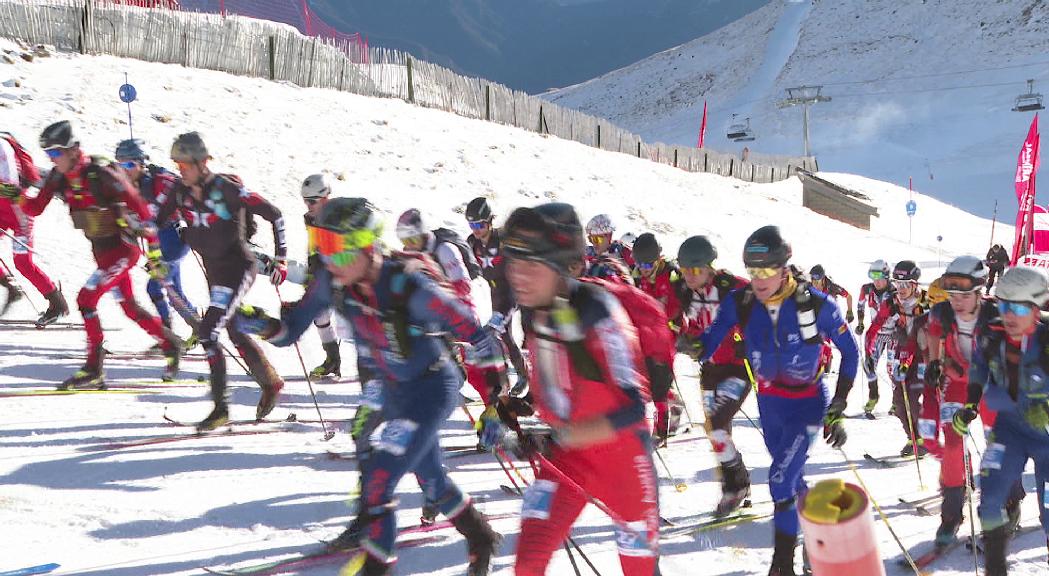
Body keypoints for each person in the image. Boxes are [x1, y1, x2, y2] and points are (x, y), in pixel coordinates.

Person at [234, 197, 504, 576]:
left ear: (365, 244)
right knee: (431, 477)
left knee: (379, 480)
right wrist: (262, 325)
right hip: (393, 389)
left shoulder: (407, 287)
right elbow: (290, 332)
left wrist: (494, 404)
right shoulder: (334, 280)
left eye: (335, 249)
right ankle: (480, 538)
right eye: (321, 246)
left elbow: (479, 337)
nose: (327, 259)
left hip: (431, 388)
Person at [498, 202, 659, 576]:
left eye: (531, 264)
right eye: (513, 262)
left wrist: (560, 436)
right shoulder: (540, 312)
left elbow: (633, 409)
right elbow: (558, 392)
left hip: (623, 465)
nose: (517, 276)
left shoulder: (598, 312)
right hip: (566, 460)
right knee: (527, 565)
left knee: (640, 571)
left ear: (566, 266)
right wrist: (519, 418)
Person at [697, 225, 858, 576]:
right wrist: (689, 345)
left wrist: (839, 405)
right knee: (792, 478)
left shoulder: (816, 304)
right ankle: (819, 534)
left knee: (779, 479)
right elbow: (710, 338)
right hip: (770, 404)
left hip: (807, 404)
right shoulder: (740, 302)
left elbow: (850, 352)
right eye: (753, 270)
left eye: (767, 269)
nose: (759, 279)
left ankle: (782, 564)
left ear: (784, 267)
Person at [0, 121, 181, 388]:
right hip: (101, 252)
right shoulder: (58, 177)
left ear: (73, 150)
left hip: (123, 250)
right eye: (49, 154)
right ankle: (172, 344)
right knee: (129, 307)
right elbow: (35, 208)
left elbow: (143, 212)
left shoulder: (101, 174)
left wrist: (154, 255)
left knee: (86, 299)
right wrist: (15, 196)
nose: (53, 159)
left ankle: (93, 368)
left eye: (56, 153)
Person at [154, 132, 286, 430]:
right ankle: (270, 382)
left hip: (238, 268)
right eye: (177, 165)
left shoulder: (227, 189)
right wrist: (151, 252)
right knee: (233, 329)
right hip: (214, 271)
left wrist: (281, 259)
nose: (180, 170)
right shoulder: (180, 191)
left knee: (208, 331)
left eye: (185, 165)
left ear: (202, 163)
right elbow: (155, 221)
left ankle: (221, 409)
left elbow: (274, 214)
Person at [957, 266, 1049, 575]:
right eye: (1004, 305)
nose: (1009, 315)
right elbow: (979, 370)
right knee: (990, 498)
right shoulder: (992, 334)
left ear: (1037, 309)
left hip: (1046, 438)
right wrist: (970, 405)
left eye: (1019, 307)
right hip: (1008, 430)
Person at [924, 255, 1010, 548]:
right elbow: (933, 331)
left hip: (989, 387)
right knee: (951, 446)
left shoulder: (995, 315)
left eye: (964, 295)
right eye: (952, 294)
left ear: (978, 291)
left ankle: (1008, 504)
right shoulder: (941, 313)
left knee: (998, 446)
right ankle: (951, 515)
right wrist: (935, 362)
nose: (957, 301)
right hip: (957, 384)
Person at [675, 235, 752, 516]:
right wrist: (685, 340)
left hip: (738, 367)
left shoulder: (732, 288)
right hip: (709, 369)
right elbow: (684, 324)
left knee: (718, 424)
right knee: (716, 431)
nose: (690, 276)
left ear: (710, 267)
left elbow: (766, 309)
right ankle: (737, 485)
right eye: (685, 270)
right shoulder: (685, 291)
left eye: (695, 270)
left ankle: (736, 486)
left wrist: (751, 341)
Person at [113, 138, 195, 340]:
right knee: (174, 291)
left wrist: (193, 226)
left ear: (142, 163)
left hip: (174, 238)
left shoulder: (161, 181)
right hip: (157, 241)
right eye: (120, 164)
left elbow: (187, 195)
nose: (125, 169)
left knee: (157, 286)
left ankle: (171, 334)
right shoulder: (126, 185)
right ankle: (192, 331)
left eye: (130, 164)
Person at [465, 196, 530, 396]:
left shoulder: (503, 239)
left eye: (480, 224)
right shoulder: (471, 242)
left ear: (490, 221)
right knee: (504, 337)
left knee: (497, 330)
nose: (476, 229)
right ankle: (507, 381)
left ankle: (523, 377)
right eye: (472, 224)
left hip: (512, 291)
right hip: (492, 293)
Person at [0, 131, 67, 323]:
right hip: (1, 212)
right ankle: (12, 288)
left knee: (23, 262)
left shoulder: (2, 146)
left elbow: (11, 187)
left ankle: (57, 303)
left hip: (19, 211)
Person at [630, 232, 685, 438]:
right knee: (648, 379)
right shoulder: (637, 275)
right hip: (647, 333)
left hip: (669, 332)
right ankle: (674, 403)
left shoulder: (671, 275)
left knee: (659, 380)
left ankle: (661, 429)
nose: (643, 271)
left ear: (659, 260)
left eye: (647, 266)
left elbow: (677, 306)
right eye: (639, 265)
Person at [864, 260, 928, 427]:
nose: (901, 288)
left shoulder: (926, 301)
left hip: (927, 353)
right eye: (898, 283)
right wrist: (869, 354)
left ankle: (933, 438)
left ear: (915, 285)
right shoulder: (891, 302)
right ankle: (915, 439)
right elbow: (873, 329)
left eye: (906, 284)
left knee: (929, 398)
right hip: (906, 350)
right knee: (902, 400)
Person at [858, 258, 898, 417]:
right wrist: (860, 322)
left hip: (893, 334)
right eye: (872, 276)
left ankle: (897, 401)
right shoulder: (867, 289)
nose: (876, 281)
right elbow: (860, 304)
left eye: (879, 277)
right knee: (868, 365)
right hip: (877, 333)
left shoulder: (894, 292)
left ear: (887, 276)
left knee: (893, 369)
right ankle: (873, 396)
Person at [584, 213, 635, 281]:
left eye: (598, 239)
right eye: (591, 239)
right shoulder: (589, 252)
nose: (594, 243)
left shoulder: (625, 253)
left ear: (609, 236)